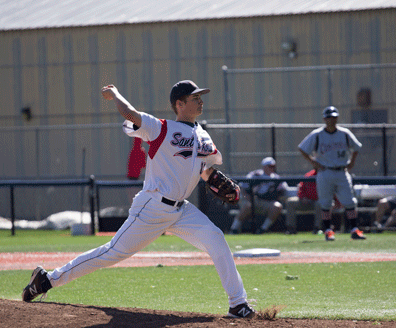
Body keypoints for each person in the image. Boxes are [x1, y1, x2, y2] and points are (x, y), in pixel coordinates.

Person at [22, 80, 255, 319]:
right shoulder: (161, 128)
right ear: (180, 103)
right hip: (152, 207)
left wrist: (212, 179)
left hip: (181, 211)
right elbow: (129, 113)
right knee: (111, 253)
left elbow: (203, 168)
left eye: (200, 97)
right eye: (195, 97)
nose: (201, 101)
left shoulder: (202, 134)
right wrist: (115, 94)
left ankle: (238, 304)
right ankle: (47, 280)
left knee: (216, 238)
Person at [298, 106, 366, 241]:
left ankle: (354, 229)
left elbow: (356, 147)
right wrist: (313, 162)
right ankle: (328, 230)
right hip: (325, 171)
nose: (331, 120)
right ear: (324, 119)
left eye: (334, 117)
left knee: (349, 201)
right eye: (329, 117)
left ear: (337, 118)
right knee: (325, 203)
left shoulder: (344, 133)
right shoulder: (317, 134)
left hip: (341, 171)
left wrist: (352, 162)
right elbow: (302, 148)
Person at [229, 157, 288, 234]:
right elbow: (242, 187)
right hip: (252, 200)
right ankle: (234, 229)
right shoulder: (254, 175)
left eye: (273, 166)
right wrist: (247, 198)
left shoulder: (276, 177)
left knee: (277, 206)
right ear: (264, 166)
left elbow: (284, 189)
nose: (272, 168)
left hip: (266, 202)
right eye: (270, 166)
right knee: (248, 205)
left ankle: (262, 229)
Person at [285, 169, 342, 234]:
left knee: (320, 203)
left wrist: (337, 202)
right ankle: (291, 228)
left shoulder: (328, 175)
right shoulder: (309, 174)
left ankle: (317, 228)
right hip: (307, 201)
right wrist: (302, 197)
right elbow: (301, 187)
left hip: (321, 202)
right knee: (290, 202)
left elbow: (334, 190)